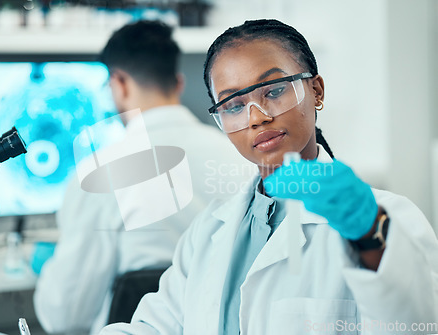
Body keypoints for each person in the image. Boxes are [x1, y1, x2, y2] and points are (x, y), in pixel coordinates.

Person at [98, 19, 438, 335]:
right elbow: (157, 327)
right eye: (233, 104)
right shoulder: (208, 231)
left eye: (273, 91)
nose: (256, 117)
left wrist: (370, 232)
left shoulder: (388, 216)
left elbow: (417, 324)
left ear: (316, 91)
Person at [33, 20, 254, 335]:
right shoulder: (239, 155)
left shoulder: (101, 172)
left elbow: (67, 317)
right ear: (177, 83)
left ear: (119, 84)